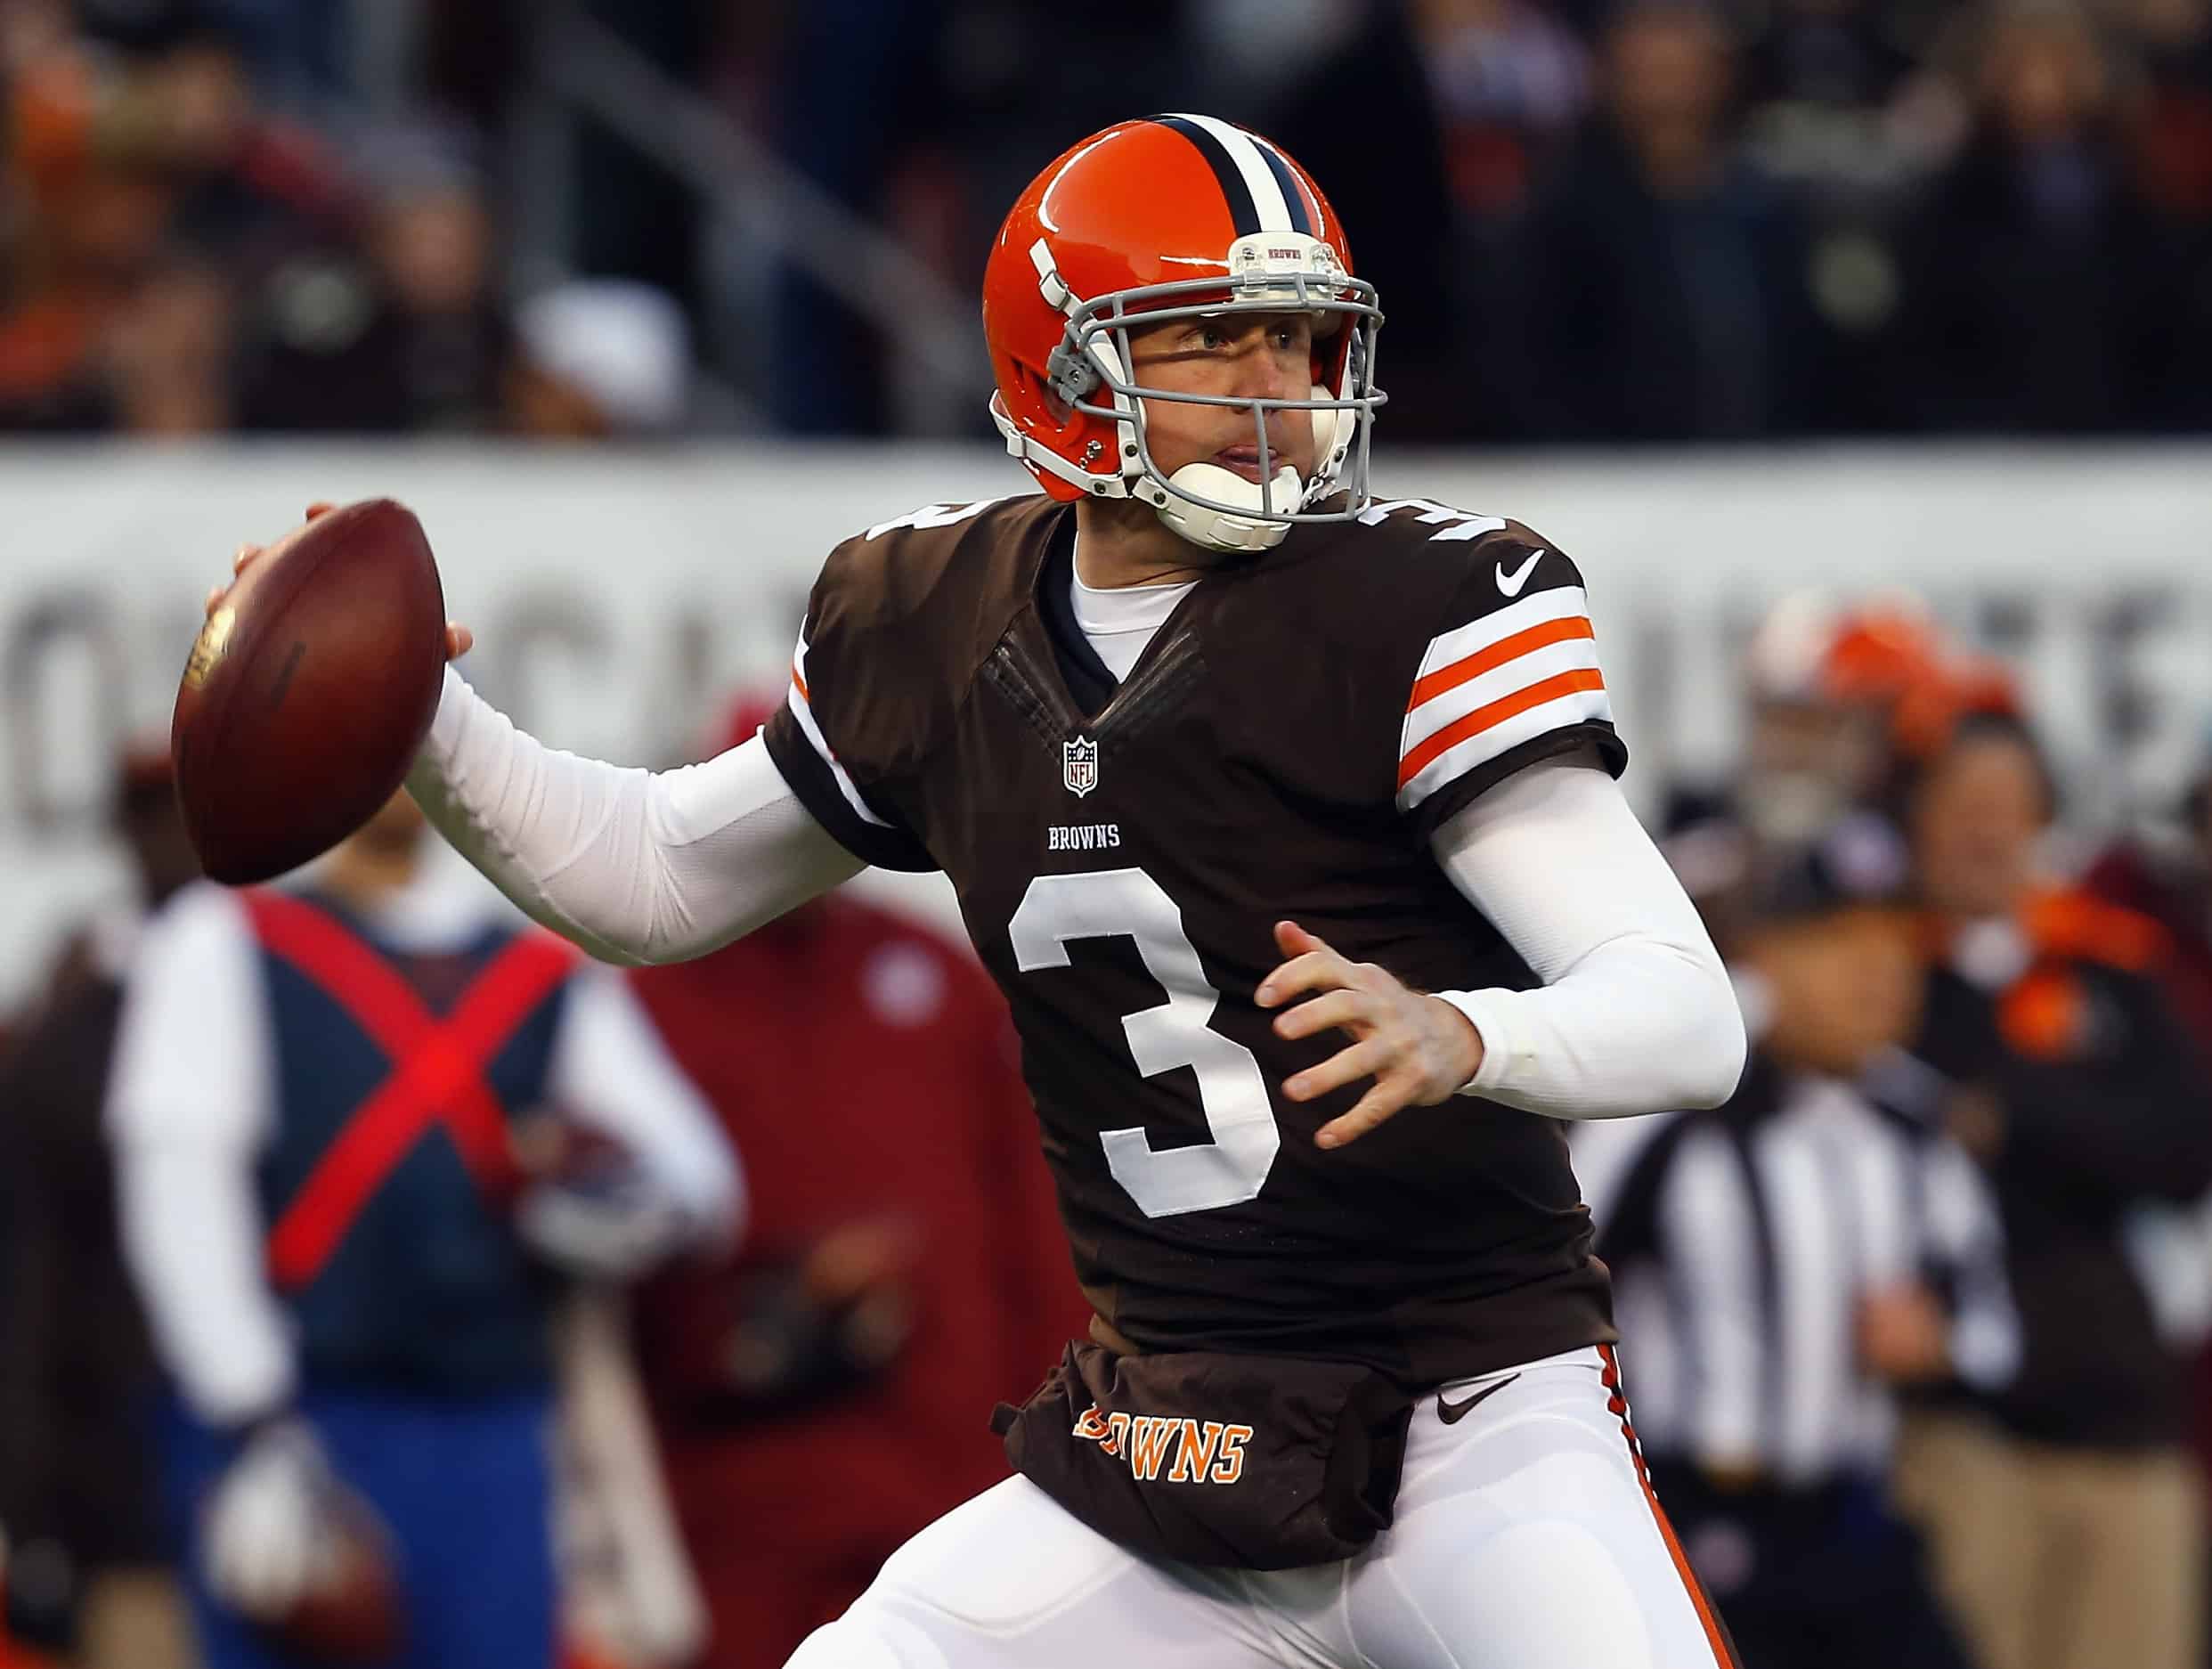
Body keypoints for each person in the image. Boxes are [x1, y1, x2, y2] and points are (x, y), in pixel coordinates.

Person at [218, 115, 1747, 1668]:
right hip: (1176, 1443)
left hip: (1471, 1427)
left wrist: (1465, 1034)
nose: (1279, 394)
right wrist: (426, 722)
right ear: (1066, 369)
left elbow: (1682, 1013)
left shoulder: (1414, 608)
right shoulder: (934, 622)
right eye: (1215, 341)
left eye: (1301, 340)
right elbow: (654, 878)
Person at [106, 793, 741, 1669]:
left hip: (493, 1432)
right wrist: (249, 1417)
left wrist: (597, 1207)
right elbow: (179, 1197)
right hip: (308, 1419)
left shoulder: (535, 962)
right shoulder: (226, 936)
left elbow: (699, 1182)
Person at [627, 697, 1091, 1665]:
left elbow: (1038, 1228)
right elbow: (619, 1272)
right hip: (740, 1506)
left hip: (951, 1481)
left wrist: (1068, 1440)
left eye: (816, 808)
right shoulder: (640, 998)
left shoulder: (936, 976)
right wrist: (768, 1316)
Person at [1578, 847, 2007, 1669]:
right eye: (1842, 939)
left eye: (1895, 941)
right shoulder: (1669, 1112)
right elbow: (1552, 1286)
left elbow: (1995, 1327)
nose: (1878, 971)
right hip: (1693, 1519)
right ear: (1765, 956)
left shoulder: (1915, 1125)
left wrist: (1938, 1342)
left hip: (1854, 1520)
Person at [1888, 708, 2212, 1669]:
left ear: (2043, 821)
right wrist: (2074, 1105)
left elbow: (2186, 1149)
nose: (1985, 830)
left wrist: (2015, 1108)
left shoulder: (2112, 964)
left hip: (2121, 1413)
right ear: (1918, 820)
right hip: (1959, 1422)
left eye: (2008, 805)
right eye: (1962, 805)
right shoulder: (1888, 969)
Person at [0, 744, 201, 1669]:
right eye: (156, 811)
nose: (181, 837)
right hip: (130, 1494)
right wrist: (31, 1495)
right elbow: (34, 1275)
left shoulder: (300, 988)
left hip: (315, 1475)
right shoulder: (74, 1028)